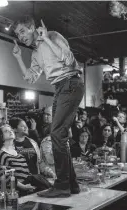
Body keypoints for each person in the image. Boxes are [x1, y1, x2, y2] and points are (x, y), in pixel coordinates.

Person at [12, 16, 84, 197]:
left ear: (32, 28)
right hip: (60, 87)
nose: (20, 37)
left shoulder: (52, 36)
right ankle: (71, 184)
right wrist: (19, 58)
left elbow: (69, 60)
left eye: (22, 31)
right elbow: (30, 77)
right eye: (17, 35)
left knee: (57, 134)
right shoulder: (35, 52)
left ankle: (62, 185)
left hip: (71, 82)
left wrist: (45, 40)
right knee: (59, 135)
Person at [0, 124, 36, 196]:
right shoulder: (1, 153)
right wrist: (23, 187)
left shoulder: (19, 153)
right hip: (10, 194)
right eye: (6, 131)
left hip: (25, 191)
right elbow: (3, 176)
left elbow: (26, 173)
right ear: (1, 137)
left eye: (11, 130)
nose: (10, 132)